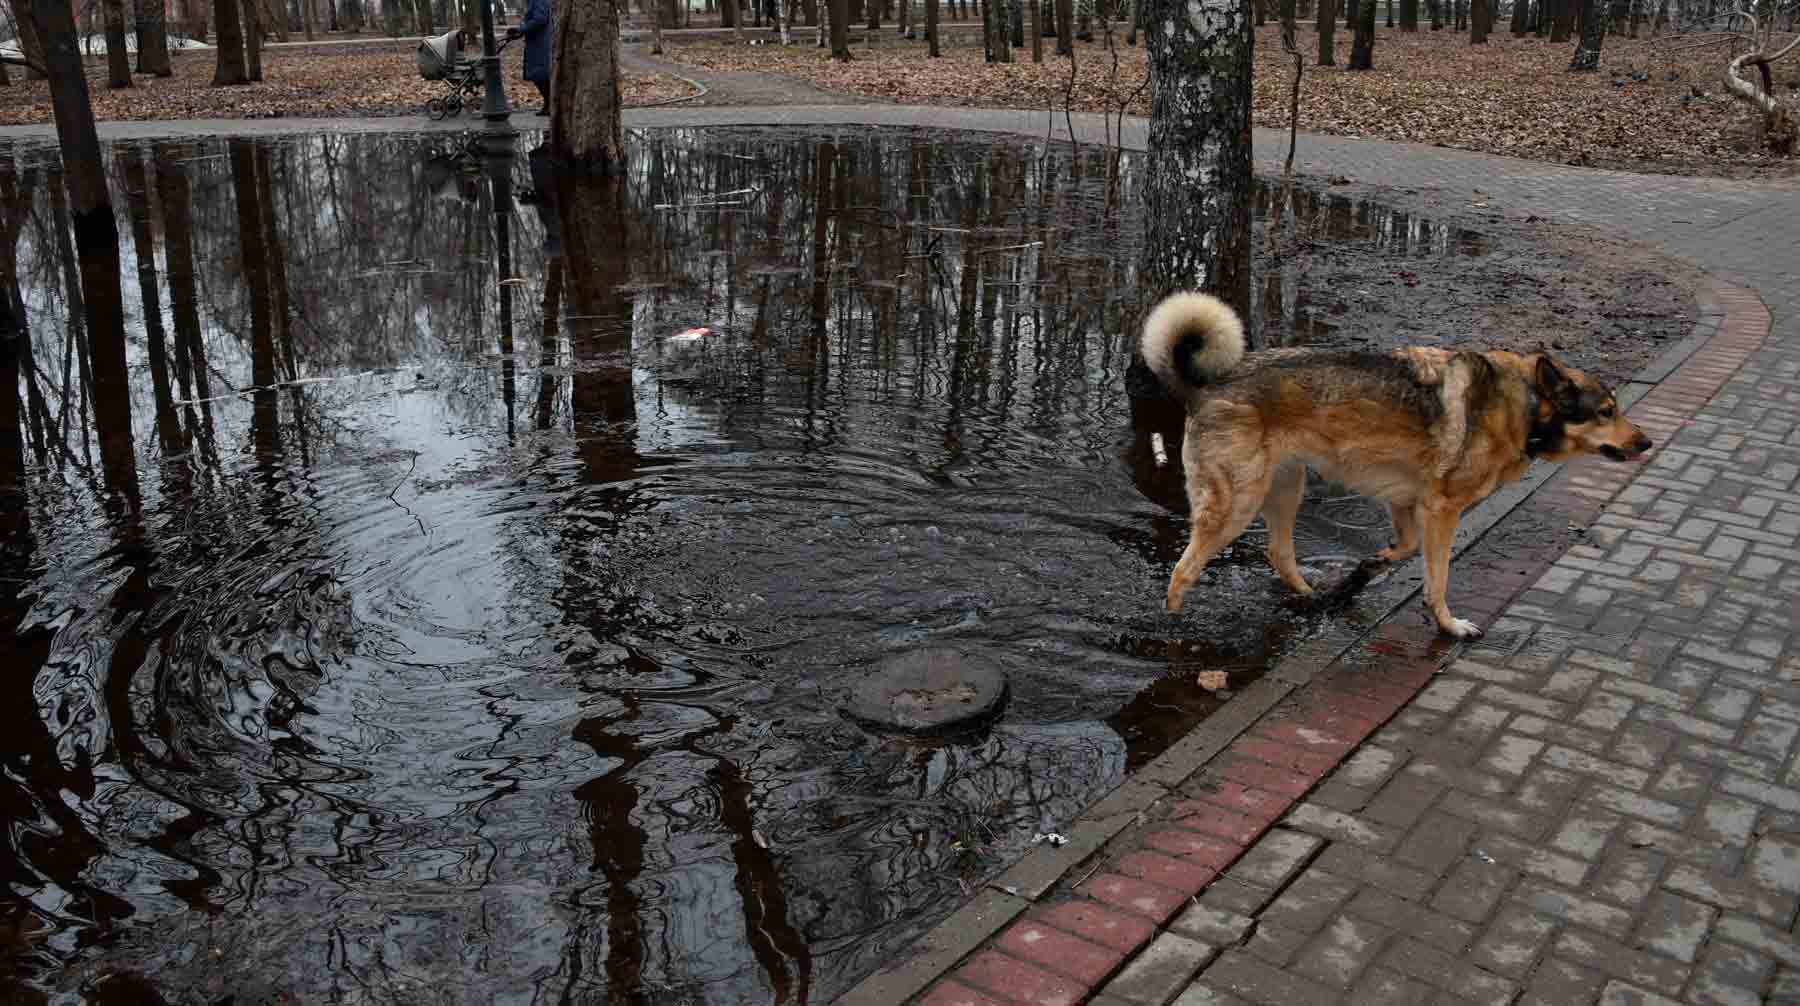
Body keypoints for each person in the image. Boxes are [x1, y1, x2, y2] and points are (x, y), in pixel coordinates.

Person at [505, 0, 552, 116]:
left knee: (540, 75)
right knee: (539, 75)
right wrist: (520, 30)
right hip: (538, 42)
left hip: (541, 43)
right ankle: (548, 103)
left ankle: (550, 103)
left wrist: (522, 29)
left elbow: (540, 19)